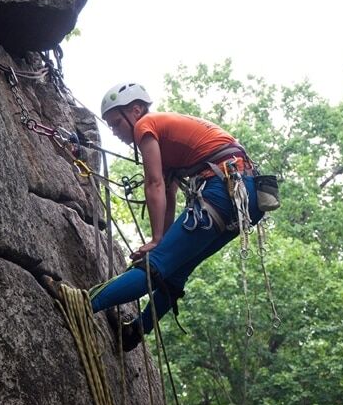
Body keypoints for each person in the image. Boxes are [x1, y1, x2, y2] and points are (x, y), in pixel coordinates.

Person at [43, 82, 264, 351]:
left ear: (135, 110)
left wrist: (158, 241)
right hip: (247, 198)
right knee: (176, 271)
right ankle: (136, 331)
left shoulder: (145, 125)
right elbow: (168, 193)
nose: (115, 132)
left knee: (154, 265)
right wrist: (161, 239)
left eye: (116, 123)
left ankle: (84, 302)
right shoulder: (168, 138)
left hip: (223, 189)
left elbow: (154, 184)